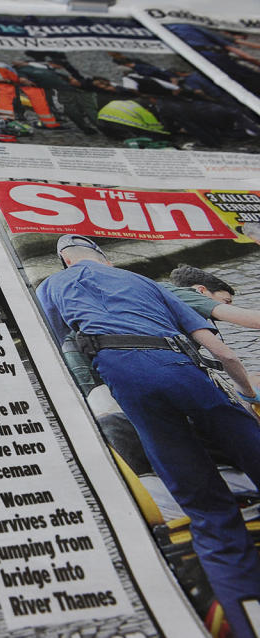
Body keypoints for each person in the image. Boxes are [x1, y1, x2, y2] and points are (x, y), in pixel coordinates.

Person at [37, 234, 260, 638]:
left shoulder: (50, 288)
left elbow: (59, 346)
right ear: (103, 257)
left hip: (126, 384)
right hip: (179, 367)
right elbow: (225, 354)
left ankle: (250, 622)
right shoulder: (145, 283)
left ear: (65, 261)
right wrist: (247, 395)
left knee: (206, 511)